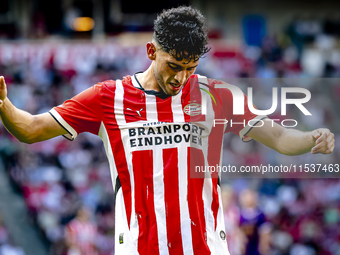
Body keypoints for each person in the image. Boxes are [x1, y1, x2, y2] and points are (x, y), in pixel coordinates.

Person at [0, 6, 335, 255]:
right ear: (151, 51)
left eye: (190, 68)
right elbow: (31, 129)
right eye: (173, 65)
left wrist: (310, 139)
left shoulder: (216, 95)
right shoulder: (107, 97)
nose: (180, 78)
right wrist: (4, 106)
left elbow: (277, 136)